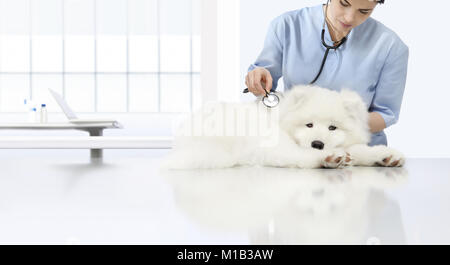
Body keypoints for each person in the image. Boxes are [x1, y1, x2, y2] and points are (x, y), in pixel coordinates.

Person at [245, 0, 409, 146]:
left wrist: (340, 126)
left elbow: (386, 113)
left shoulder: (391, 46)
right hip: (298, 148)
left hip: (357, 155)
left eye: (364, 11)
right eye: (344, 3)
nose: (349, 18)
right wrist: (258, 79)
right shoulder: (287, 25)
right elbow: (265, 85)